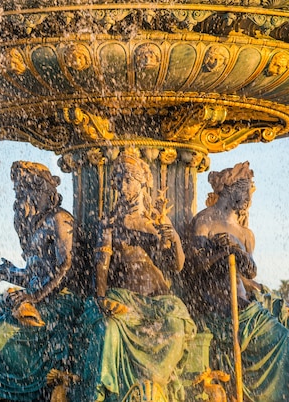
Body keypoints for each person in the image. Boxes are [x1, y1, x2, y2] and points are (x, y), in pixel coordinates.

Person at [185, 161, 289, 401]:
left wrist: (238, 251)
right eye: (244, 191)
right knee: (282, 338)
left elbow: (251, 271)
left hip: (245, 305)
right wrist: (222, 253)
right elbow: (195, 267)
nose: (248, 198)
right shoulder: (205, 221)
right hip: (219, 304)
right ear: (230, 190)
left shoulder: (245, 233)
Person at [78, 148, 196, 401]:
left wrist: (172, 237)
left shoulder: (156, 222)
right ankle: (106, 393)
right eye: (117, 180)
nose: (121, 185)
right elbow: (102, 263)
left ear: (143, 181)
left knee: (176, 327)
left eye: (127, 179)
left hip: (158, 302)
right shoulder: (108, 222)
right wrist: (100, 297)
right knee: (108, 328)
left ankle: (155, 386)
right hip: (123, 299)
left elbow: (176, 266)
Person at [0, 161, 82, 402]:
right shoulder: (33, 226)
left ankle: (29, 394)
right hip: (34, 298)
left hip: (60, 302)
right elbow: (31, 275)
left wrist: (35, 296)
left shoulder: (59, 219)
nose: (19, 198)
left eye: (23, 190)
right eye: (18, 191)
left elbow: (67, 266)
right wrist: (3, 274)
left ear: (41, 191)